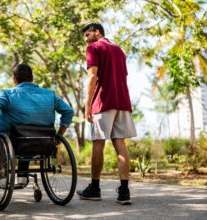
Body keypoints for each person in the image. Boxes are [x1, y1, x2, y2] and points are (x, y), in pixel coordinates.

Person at [76, 22, 137, 205]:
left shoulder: (94, 48)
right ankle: (124, 191)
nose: (86, 39)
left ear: (97, 32)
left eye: (88, 34)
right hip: (122, 102)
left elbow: (92, 76)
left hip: (103, 103)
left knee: (98, 144)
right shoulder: (120, 50)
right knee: (120, 145)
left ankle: (95, 188)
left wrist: (87, 105)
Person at [0, 63, 74, 185]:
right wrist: (58, 136)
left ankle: (1, 175)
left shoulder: (7, 94)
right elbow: (68, 111)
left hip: (13, 141)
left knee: (9, 131)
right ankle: (22, 175)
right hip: (43, 140)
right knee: (27, 137)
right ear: (32, 79)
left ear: (14, 80)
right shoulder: (50, 94)